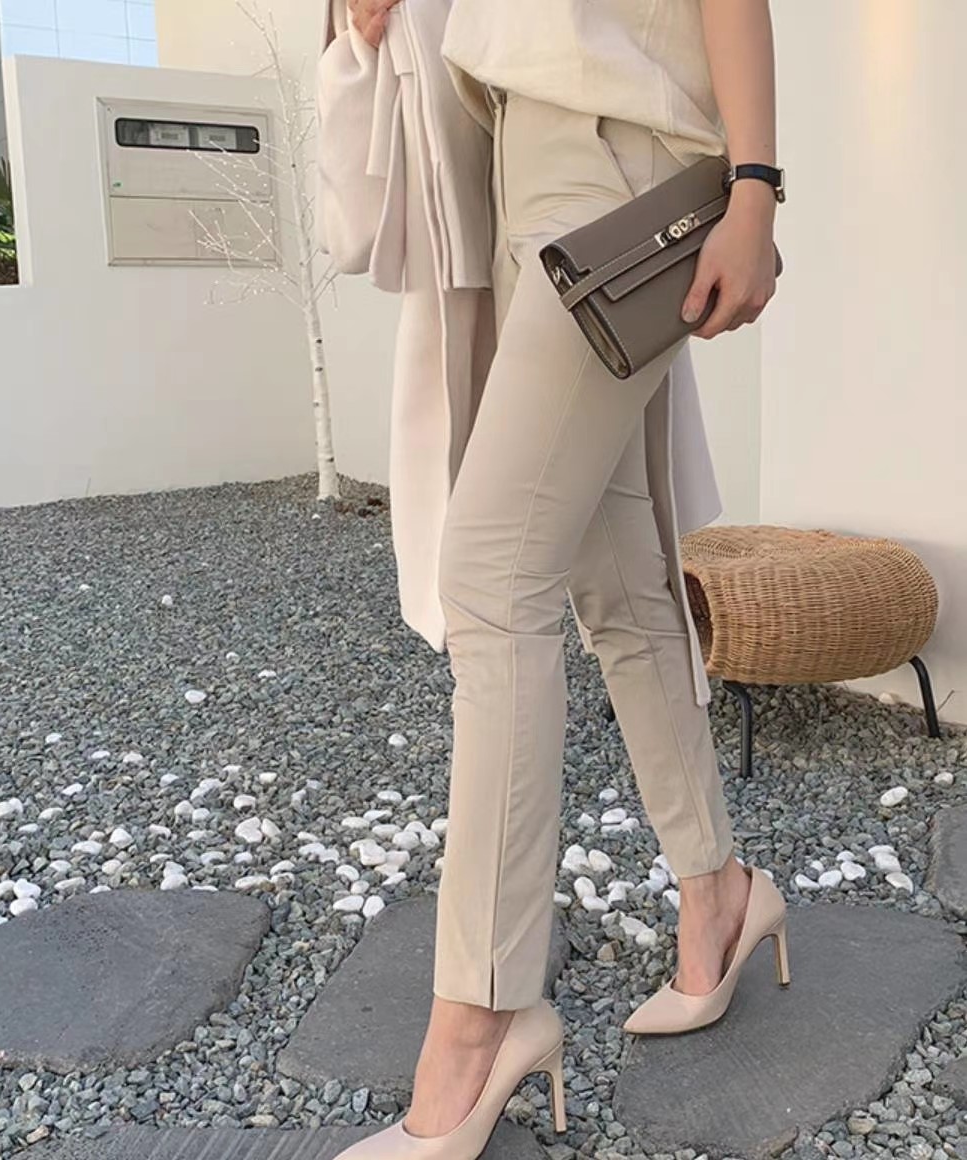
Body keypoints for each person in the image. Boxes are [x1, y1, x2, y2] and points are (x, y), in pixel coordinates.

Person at [332, 2, 789, 1157]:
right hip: (519, 156)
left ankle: (482, 1017)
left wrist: (755, 189)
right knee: (615, 576)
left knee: (493, 582)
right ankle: (719, 891)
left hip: (621, 154)